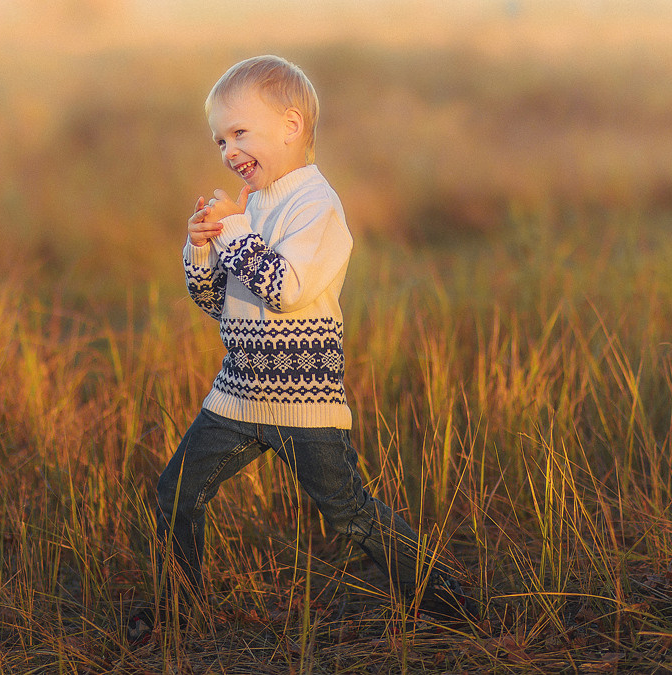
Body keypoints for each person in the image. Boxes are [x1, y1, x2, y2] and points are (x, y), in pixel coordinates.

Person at [130, 55, 476, 644]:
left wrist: (236, 233)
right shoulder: (252, 207)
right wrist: (204, 250)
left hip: (302, 404)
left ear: (291, 125)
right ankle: (175, 612)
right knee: (175, 493)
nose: (228, 150)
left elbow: (283, 289)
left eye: (240, 132)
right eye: (219, 139)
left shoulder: (317, 208)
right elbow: (218, 302)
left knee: (349, 515)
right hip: (237, 397)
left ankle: (447, 600)